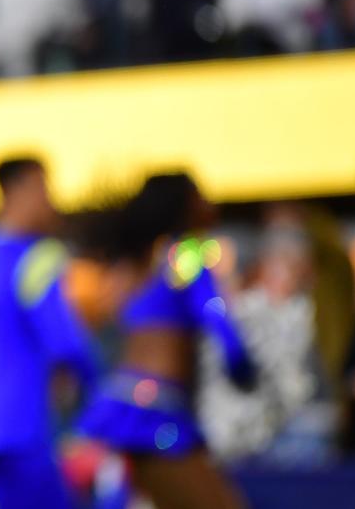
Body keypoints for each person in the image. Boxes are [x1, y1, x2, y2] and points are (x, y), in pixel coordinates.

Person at [79, 174, 255, 509]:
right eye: (200, 196)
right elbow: (216, 316)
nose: (210, 205)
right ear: (185, 205)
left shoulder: (139, 264)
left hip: (123, 402)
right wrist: (242, 367)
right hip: (158, 413)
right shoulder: (184, 255)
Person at [0, 157, 98, 509]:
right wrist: (98, 391)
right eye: (45, 189)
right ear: (20, 188)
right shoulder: (36, 256)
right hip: (28, 431)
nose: (51, 202)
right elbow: (65, 340)